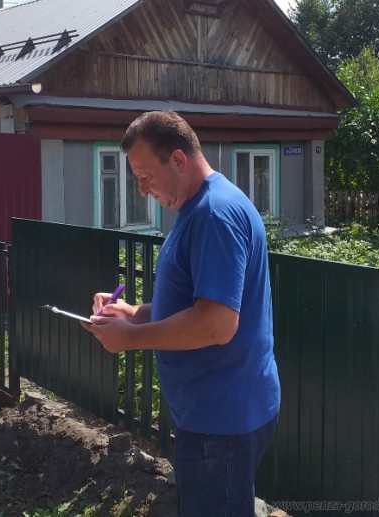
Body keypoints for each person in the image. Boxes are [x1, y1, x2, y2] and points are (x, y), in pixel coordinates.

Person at [82, 111, 280, 516]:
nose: (141, 189)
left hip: (220, 421)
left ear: (177, 159)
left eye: (145, 175)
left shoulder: (213, 215)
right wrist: (134, 313)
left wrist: (133, 338)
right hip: (216, 413)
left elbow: (217, 323)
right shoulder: (200, 208)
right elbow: (195, 305)